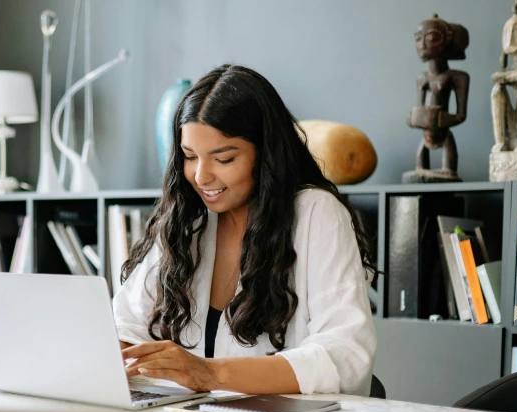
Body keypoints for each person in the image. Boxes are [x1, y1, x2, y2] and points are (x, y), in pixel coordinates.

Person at [114, 64, 377, 395]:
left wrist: (209, 374)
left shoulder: (315, 214)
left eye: (223, 159)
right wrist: (113, 353)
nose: (201, 177)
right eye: (190, 156)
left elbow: (345, 354)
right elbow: (127, 323)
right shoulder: (188, 221)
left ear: (265, 154)